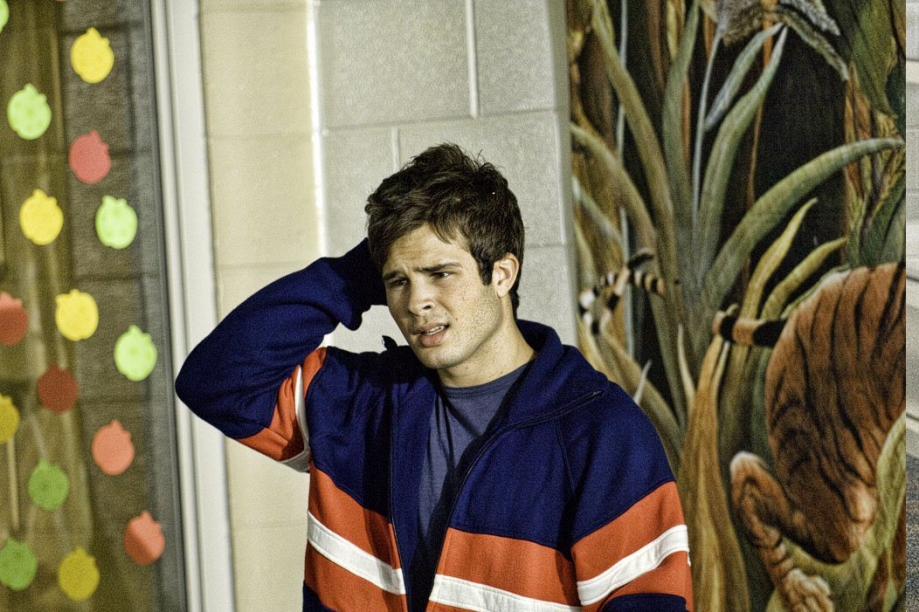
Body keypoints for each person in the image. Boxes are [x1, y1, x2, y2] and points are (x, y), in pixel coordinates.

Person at [175, 143, 693, 612]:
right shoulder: (359, 402)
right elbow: (216, 382)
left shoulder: (602, 434)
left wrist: (400, 261)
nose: (416, 302)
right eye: (397, 281)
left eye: (440, 273)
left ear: (502, 274)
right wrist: (359, 272)